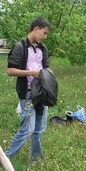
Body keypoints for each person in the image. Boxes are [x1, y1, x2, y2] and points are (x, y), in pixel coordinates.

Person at [5, 17, 51, 162]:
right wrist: (32, 73)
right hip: (28, 92)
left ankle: (36, 158)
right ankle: (6, 159)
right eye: (44, 33)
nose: (45, 37)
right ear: (35, 29)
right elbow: (10, 71)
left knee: (39, 128)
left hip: (42, 92)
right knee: (28, 129)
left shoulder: (43, 48)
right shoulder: (20, 47)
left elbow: (46, 68)